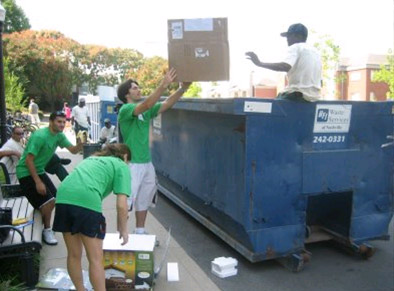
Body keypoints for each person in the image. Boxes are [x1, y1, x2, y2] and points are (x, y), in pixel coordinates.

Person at [117, 67, 191, 237]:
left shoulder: (144, 111)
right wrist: (164, 84)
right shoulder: (126, 110)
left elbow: (166, 104)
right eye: (135, 88)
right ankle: (122, 235)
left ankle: (140, 231)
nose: (139, 89)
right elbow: (148, 103)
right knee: (127, 201)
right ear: (126, 94)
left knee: (144, 198)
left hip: (146, 163)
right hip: (132, 165)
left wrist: (182, 88)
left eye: (138, 87)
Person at [53, 143, 131, 291]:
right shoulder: (121, 165)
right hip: (86, 201)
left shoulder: (91, 159)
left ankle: (80, 289)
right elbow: (122, 204)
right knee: (95, 259)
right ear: (125, 156)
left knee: (74, 254)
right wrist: (124, 229)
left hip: (63, 197)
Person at [16, 111, 84, 245]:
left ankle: (43, 217)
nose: (62, 124)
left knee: (55, 198)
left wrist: (80, 144)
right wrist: (38, 182)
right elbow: (29, 161)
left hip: (39, 170)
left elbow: (73, 151)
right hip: (25, 172)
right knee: (49, 202)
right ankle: (47, 230)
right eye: (59, 121)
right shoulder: (40, 136)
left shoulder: (59, 136)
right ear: (51, 122)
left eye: (64, 122)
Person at [246, 23, 322, 102]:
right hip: (315, 97)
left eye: (290, 36)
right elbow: (320, 80)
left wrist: (260, 63)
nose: (287, 39)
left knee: (273, 107)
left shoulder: (295, 47)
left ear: (299, 36)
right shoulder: (316, 52)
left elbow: (285, 66)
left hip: (297, 94)